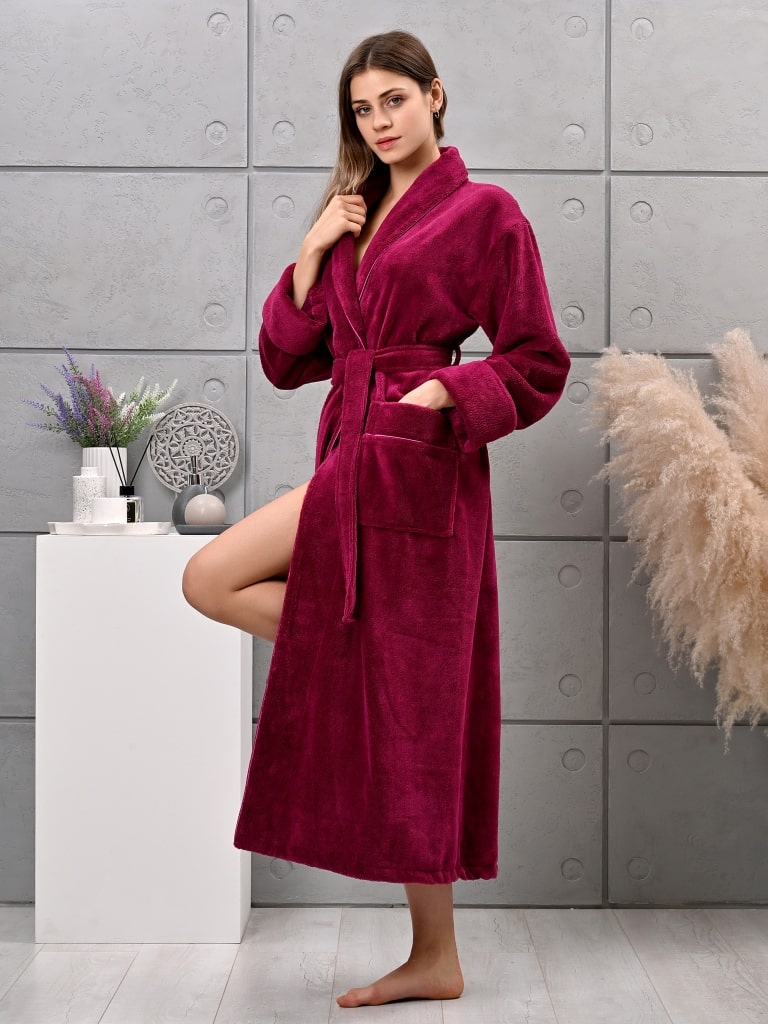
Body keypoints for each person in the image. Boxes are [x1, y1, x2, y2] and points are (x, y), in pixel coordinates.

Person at [182, 29, 571, 1009]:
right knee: (217, 583)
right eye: (363, 109)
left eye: (394, 99)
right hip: (347, 454)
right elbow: (285, 360)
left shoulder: (485, 213)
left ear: (436, 95)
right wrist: (312, 250)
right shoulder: (353, 219)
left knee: (416, 713)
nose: (380, 122)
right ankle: (435, 956)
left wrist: (446, 392)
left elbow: (537, 360)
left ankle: (435, 955)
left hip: (418, 465)